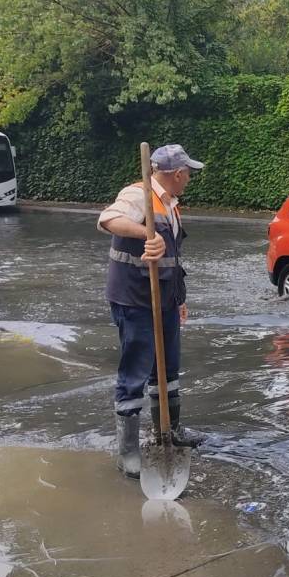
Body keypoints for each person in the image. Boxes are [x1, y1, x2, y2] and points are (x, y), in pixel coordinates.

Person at [98, 144, 205, 478]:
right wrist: (146, 233)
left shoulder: (171, 203)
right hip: (135, 300)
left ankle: (169, 432)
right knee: (135, 373)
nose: (189, 179)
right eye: (188, 173)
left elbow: (173, 258)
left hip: (166, 299)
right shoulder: (138, 195)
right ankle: (127, 452)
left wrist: (179, 297)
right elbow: (108, 219)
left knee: (168, 369)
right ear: (176, 173)